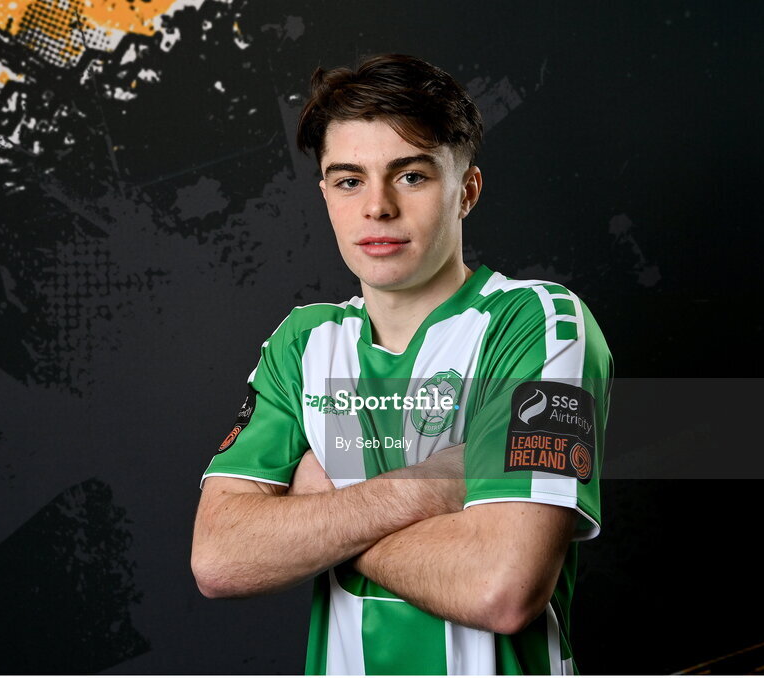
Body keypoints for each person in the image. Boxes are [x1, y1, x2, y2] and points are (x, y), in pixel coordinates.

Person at [191, 54, 613, 675]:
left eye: (411, 176)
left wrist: (326, 512)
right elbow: (220, 557)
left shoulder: (539, 324)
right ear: (327, 195)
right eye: (348, 179)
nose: (377, 207)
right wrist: (436, 486)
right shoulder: (301, 343)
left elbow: (502, 587)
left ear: (466, 190)